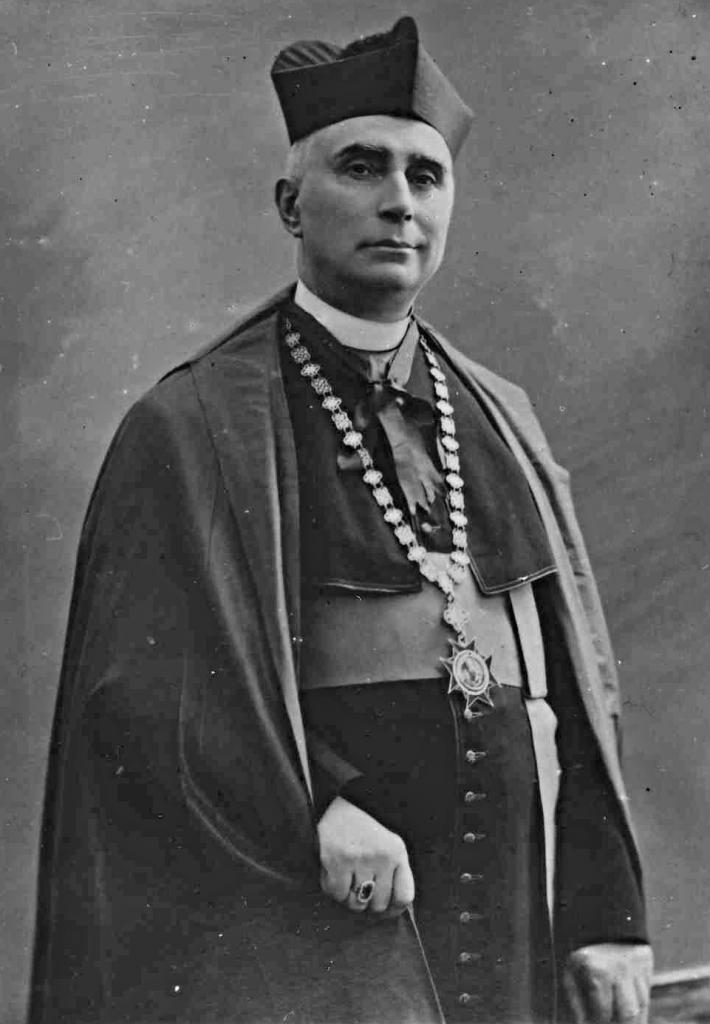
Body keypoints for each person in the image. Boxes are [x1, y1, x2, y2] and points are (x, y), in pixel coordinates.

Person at [30, 16, 653, 1024]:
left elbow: (574, 691)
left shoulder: (501, 416)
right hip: (298, 917)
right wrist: (312, 804)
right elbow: (140, 706)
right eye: (362, 168)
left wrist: (606, 914)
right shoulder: (189, 424)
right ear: (290, 203)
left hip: (508, 918)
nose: (398, 201)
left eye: (425, 176)